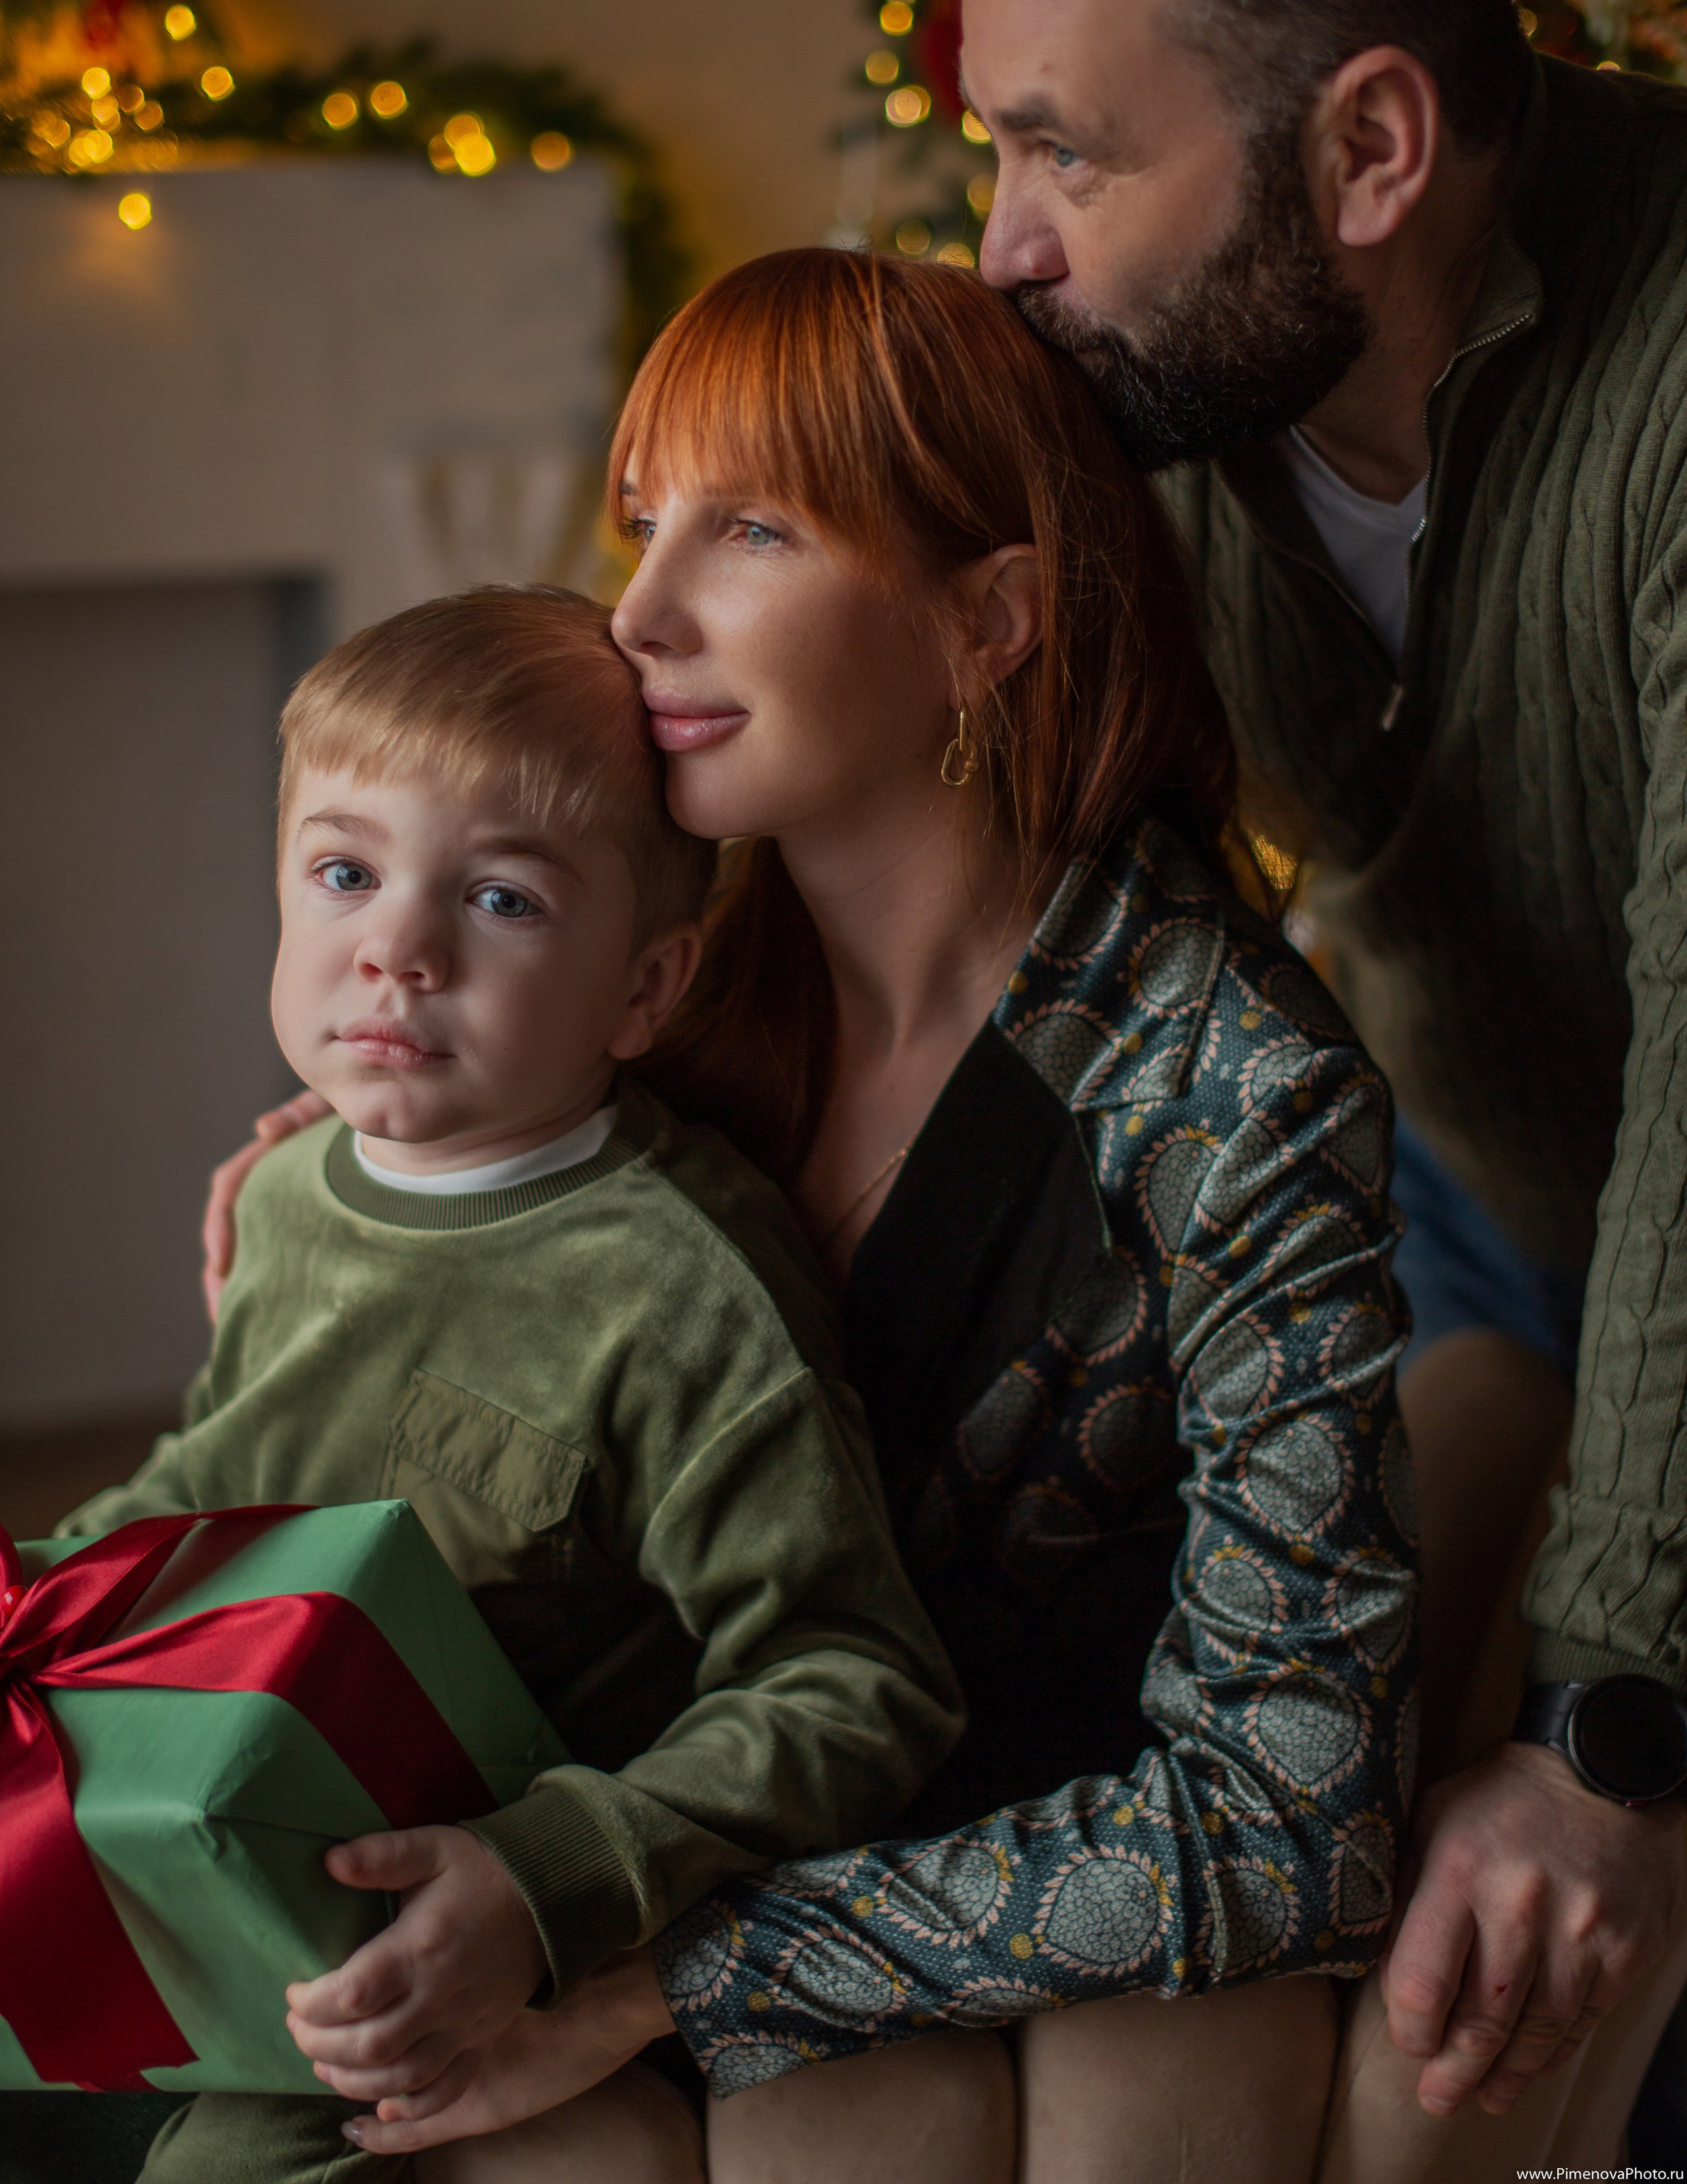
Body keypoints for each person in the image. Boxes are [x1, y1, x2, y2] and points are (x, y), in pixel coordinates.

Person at [208, 250, 1417, 2183]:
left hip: (1032, 1873)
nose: (645, 608)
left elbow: (1291, 1818)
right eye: (641, 520)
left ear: (989, 620)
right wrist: (359, 1184)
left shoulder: (1233, 1093)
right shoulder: (640, 968)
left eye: (750, 528)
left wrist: (661, 1975)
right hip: (642, 1806)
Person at [940, 0, 1687, 2176]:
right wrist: (493, 1018)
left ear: (1370, 148)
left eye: (1068, 150)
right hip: (1478, 1188)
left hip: (1657, 1170)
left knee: (1544, 1934)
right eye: (995, 146)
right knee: (1287, 1805)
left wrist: (1616, 1722)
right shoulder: (1150, 359)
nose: (1001, 245)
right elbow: (812, 681)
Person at [34, 584, 963, 2184]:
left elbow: (856, 1685)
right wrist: (35, 1590)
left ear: (644, 991)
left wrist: (553, 1875)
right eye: (341, 873)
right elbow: (207, 1488)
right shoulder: (283, 1200)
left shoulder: (680, 1296)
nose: (394, 946)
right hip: (229, 1817)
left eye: (505, 902)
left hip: (434, 1937)